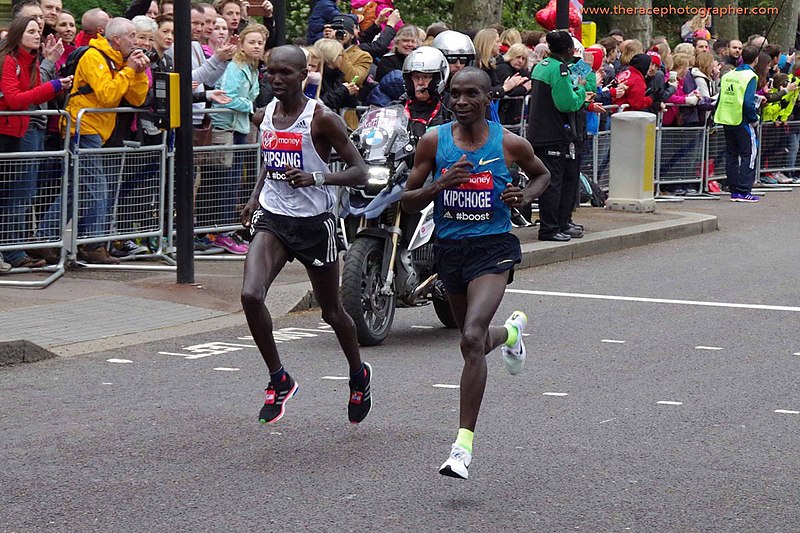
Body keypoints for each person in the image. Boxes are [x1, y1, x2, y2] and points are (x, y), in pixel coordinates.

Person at [400, 67, 550, 479]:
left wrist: (524, 196)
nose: (462, 102)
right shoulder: (435, 141)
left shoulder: (509, 143)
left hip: (493, 249)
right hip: (450, 250)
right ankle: (512, 335)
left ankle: (461, 447)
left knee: (468, 337)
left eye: (471, 95)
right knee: (478, 340)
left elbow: (542, 174)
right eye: (455, 95)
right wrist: (438, 185)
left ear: (488, 100)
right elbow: (408, 203)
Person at [239, 44, 372, 425]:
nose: (276, 79)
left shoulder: (322, 118)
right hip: (274, 219)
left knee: (332, 311)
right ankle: (279, 379)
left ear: (303, 76)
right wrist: (252, 200)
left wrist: (318, 177)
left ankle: (358, 373)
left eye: (285, 72)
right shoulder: (264, 115)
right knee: (250, 294)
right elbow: (269, 160)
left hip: (315, 224)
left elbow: (359, 172)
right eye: (270, 72)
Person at [39, 17, 150, 264]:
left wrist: (139, 73)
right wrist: (130, 70)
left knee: (76, 190)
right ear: (117, 39)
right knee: (97, 188)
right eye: (132, 36)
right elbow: (107, 94)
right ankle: (92, 244)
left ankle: (44, 238)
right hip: (82, 129)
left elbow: (136, 98)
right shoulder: (94, 56)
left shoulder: (120, 61)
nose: (136, 41)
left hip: (96, 131)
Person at [0, 16, 72, 269]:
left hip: (18, 133)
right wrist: (52, 85)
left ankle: (13, 251)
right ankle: (11, 252)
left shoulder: (30, 60)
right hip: (7, 134)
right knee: (14, 194)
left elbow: (35, 91)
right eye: (31, 31)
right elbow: (16, 99)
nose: (36, 35)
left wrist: (56, 83)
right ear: (18, 34)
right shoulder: (9, 61)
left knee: (20, 194)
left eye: (38, 31)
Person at [527, 31, 589, 242]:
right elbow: (567, 103)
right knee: (554, 183)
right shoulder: (559, 69)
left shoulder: (541, 66)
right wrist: (581, 91)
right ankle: (550, 228)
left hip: (540, 132)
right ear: (569, 50)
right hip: (553, 133)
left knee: (554, 181)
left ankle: (559, 224)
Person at [713, 45, 761, 202]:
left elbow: (721, 96)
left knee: (732, 154)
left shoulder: (729, 74)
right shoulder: (750, 76)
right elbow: (748, 102)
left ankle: (734, 190)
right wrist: (754, 118)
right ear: (756, 60)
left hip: (727, 118)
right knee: (750, 153)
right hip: (742, 119)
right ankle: (744, 190)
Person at [400, 46, 452, 139]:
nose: (420, 82)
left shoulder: (451, 107)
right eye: (415, 77)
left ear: (438, 79)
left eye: (426, 77)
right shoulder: (398, 107)